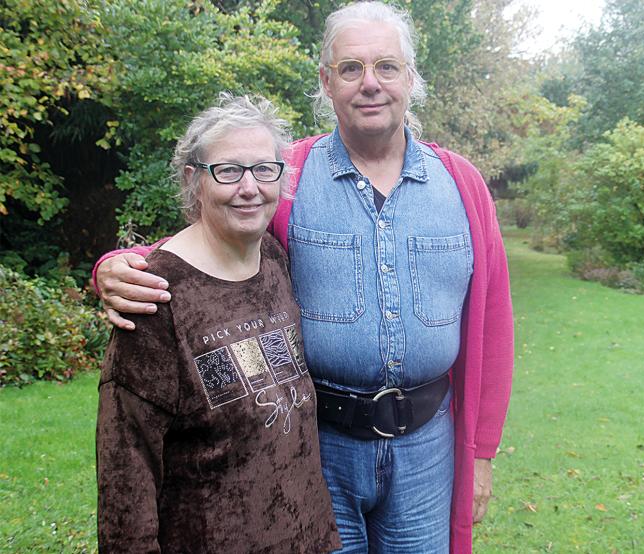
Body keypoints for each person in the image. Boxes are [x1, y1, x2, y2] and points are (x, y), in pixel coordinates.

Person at [92, 2, 514, 552]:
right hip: (316, 446)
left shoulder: (461, 184)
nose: (370, 84)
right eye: (350, 68)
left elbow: (493, 323)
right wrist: (121, 264)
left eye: (386, 67)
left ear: (411, 78)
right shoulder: (285, 172)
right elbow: (217, 233)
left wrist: (480, 454)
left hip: (428, 453)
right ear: (326, 81)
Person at [95, 93, 341, 552]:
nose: (249, 187)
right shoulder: (157, 296)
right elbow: (126, 473)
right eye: (228, 170)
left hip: (305, 536)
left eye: (264, 170)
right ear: (195, 180)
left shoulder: (273, 259)